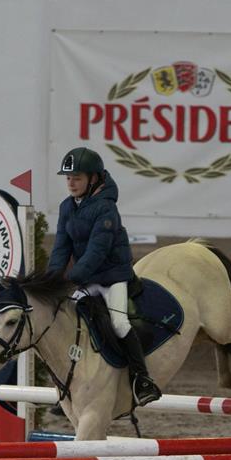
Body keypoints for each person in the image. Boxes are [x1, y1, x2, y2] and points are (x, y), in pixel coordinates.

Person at [48, 146, 160, 407]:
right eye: (68, 178)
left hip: (112, 277)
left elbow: (97, 252)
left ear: (93, 179)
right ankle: (71, 386)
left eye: (77, 178)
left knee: (119, 324)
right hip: (87, 279)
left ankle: (141, 379)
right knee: (69, 321)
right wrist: (51, 282)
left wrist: (72, 278)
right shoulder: (67, 207)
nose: (71, 183)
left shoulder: (106, 208)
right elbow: (61, 248)